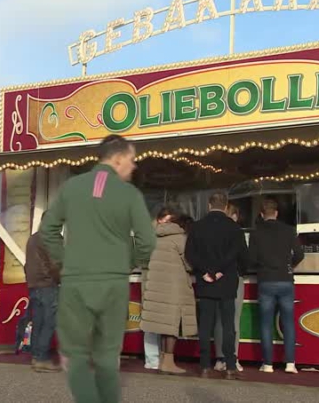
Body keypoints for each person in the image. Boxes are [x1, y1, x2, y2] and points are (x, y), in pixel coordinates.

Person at [40, 134, 156, 403]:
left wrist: (64, 261)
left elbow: (48, 230)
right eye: (131, 159)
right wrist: (127, 263)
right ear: (117, 159)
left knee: (75, 354)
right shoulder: (130, 194)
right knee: (107, 356)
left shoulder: (72, 187)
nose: (134, 166)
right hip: (114, 283)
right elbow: (147, 241)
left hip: (76, 281)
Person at [186, 192, 248, 380]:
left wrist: (205, 271)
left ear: (209, 205)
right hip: (227, 281)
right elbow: (240, 255)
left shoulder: (197, 227)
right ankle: (230, 366)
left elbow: (190, 253)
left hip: (205, 282)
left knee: (205, 325)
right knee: (228, 325)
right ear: (226, 206)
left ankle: (205, 366)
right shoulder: (234, 228)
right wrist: (223, 270)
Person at [249, 198, 305, 374]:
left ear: (261, 214)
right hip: (285, 279)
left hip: (266, 280)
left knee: (266, 324)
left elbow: (251, 259)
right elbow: (299, 253)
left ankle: (268, 364)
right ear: (277, 213)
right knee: (288, 322)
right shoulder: (289, 231)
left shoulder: (256, 233)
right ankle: (290, 363)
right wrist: (290, 265)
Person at [139, 208, 197, 375]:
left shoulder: (153, 238)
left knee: (161, 325)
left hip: (155, 287)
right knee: (171, 326)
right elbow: (189, 263)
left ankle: (162, 361)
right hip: (173, 288)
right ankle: (168, 362)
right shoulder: (180, 239)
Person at [24, 213, 62, 373]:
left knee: (38, 321)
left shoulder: (33, 238)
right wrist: (59, 279)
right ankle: (42, 359)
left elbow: (27, 264)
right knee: (49, 322)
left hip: (34, 284)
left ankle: (36, 356)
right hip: (48, 284)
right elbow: (56, 263)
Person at [213, 203, 245, 372]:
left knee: (219, 320)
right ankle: (232, 357)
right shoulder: (238, 232)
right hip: (234, 278)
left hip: (216, 279)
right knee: (233, 320)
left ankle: (220, 358)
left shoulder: (213, 232)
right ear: (234, 216)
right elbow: (245, 257)